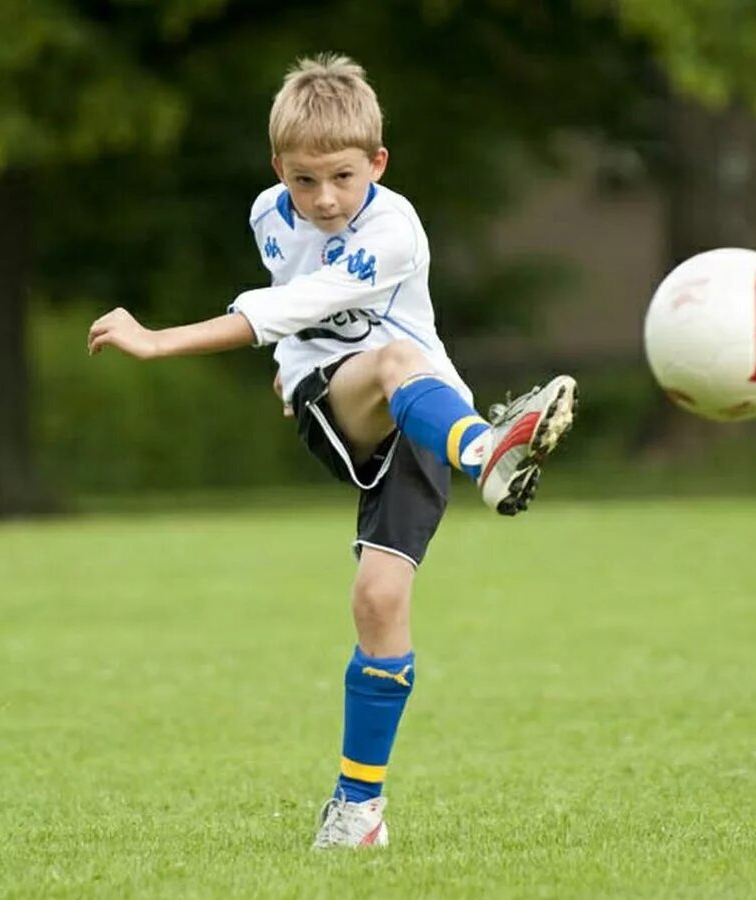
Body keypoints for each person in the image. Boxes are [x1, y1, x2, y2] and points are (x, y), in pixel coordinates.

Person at [87, 53, 578, 849]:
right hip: (337, 405)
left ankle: (358, 813)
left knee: (379, 604)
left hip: (423, 418)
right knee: (387, 365)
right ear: (277, 168)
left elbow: (297, 306)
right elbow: (292, 309)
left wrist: (175, 340)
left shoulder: (395, 230)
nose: (323, 199)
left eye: (343, 178)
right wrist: (262, 367)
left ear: (378, 164)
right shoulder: (267, 214)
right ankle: (489, 451)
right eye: (303, 179)